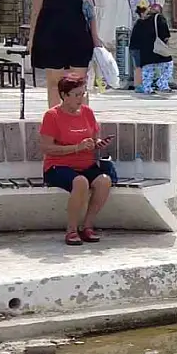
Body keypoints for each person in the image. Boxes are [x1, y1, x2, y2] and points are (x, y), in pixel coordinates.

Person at [39, 75, 115, 246]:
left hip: (85, 164)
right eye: (76, 95)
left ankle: (87, 226)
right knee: (80, 182)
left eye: (83, 94)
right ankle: (71, 230)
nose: (81, 98)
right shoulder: (52, 115)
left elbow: (93, 140)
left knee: (104, 181)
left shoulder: (88, 112)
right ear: (64, 95)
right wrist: (76, 148)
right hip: (58, 166)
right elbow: (46, 148)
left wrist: (97, 144)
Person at [28, 0, 101, 109]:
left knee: (79, 84)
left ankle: (82, 122)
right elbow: (36, 12)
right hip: (51, 38)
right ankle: (55, 123)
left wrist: (95, 36)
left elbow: (90, 10)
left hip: (78, 37)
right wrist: (31, 39)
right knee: (54, 83)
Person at [130, 4, 174, 94]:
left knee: (147, 68)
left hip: (145, 50)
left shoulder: (141, 21)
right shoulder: (160, 18)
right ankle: (162, 83)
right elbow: (165, 35)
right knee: (168, 64)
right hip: (157, 48)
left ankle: (147, 87)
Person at [129, 5, 147, 89]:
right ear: (142, 13)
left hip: (134, 47)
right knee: (139, 67)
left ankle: (138, 84)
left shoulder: (137, 22)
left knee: (138, 67)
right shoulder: (141, 23)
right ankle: (138, 85)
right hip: (137, 48)